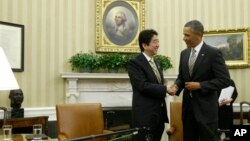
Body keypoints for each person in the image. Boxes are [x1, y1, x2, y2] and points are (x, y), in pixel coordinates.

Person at [169, 20, 231, 141]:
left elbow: (224, 80)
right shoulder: (184, 54)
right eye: (183, 34)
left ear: (198, 35)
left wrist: (201, 85)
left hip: (206, 111)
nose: (184, 38)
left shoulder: (213, 53)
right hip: (188, 110)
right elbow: (182, 77)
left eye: (187, 35)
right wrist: (176, 87)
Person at [127, 29, 174, 141]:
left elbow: (156, 84)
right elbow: (142, 86)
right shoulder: (135, 63)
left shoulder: (157, 63)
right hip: (144, 117)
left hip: (158, 116)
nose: (158, 45)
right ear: (144, 45)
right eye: (155, 42)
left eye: (158, 41)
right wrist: (165, 89)